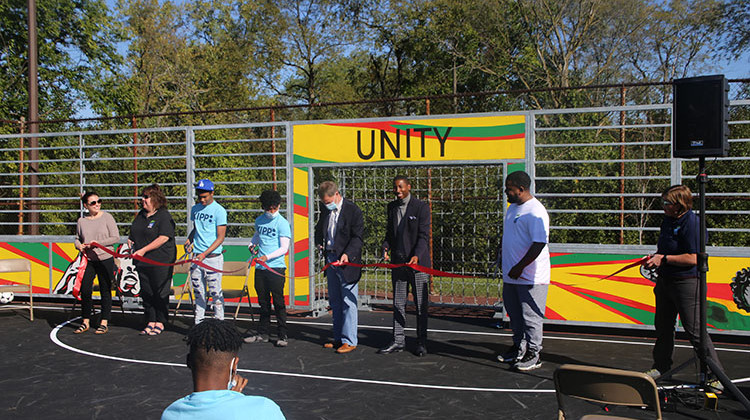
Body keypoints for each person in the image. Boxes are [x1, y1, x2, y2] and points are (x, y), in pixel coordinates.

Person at [644, 185, 724, 390]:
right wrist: (655, 258)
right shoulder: (668, 221)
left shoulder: (693, 224)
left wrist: (665, 258)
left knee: (695, 331)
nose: (663, 206)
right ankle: (661, 367)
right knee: (663, 327)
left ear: (679, 204)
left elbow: (694, 257)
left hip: (687, 282)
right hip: (666, 280)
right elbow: (666, 249)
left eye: (667, 203)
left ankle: (716, 376)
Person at [161, 318, 285, 420]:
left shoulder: (171, 414)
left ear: (188, 361)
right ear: (234, 365)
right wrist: (234, 399)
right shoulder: (264, 410)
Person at [496, 170, 550, 371]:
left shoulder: (536, 211)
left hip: (530, 277)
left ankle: (534, 353)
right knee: (515, 315)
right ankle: (519, 347)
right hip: (512, 275)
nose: (505, 192)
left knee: (531, 317)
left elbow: (539, 243)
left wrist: (520, 267)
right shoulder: (513, 208)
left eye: (509, 189)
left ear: (521, 189)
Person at [378, 175, 431, 357]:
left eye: (401, 187)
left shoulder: (421, 207)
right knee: (398, 303)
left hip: (417, 265)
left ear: (409, 186)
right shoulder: (392, 207)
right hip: (398, 263)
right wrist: (385, 247)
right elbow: (389, 233)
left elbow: (424, 236)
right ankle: (398, 340)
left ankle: (421, 342)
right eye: (395, 188)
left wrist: (416, 255)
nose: (398, 191)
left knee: (420, 305)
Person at [314, 181, 364, 354]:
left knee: (348, 301)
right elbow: (320, 229)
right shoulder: (325, 209)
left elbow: (357, 237)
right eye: (324, 203)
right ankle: (338, 337)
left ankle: (350, 340)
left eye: (328, 202)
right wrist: (320, 243)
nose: (326, 205)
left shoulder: (353, 211)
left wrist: (348, 254)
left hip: (347, 262)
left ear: (336, 194)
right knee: (334, 301)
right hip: (331, 258)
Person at [244, 190, 292, 347]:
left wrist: (267, 257)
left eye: (273, 208)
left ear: (278, 206)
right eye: (268, 208)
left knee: (278, 302)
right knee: (263, 302)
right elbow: (257, 236)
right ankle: (262, 333)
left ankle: (282, 334)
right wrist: (251, 245)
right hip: (260, 267)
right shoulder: (259, 220)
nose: (271, 211)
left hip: (276, 268)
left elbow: (284, 248)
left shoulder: (283, 223)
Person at [129, 184, 177, 336]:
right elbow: (134, 232)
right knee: (147, 291)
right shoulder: (141, 215)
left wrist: (143, 250)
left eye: (146, 197)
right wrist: (130, 241)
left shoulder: (163, 216)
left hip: (160, 260)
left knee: (159, 290)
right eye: (142, 197)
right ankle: (150, 319)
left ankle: (161, 321)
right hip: (142, 262)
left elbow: (163, 237)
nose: (143, 200)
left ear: (155, 199)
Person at [73, 191, 120, 334]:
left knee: (105, 289)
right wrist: (78, 245)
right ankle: (85, 320)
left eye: (99, 201)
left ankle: (104, 321)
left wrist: (98, 243)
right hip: (89, 260)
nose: (97, 204)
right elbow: (77, 238)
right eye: (93, 203)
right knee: (85, 289)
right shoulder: (82, 221)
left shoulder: (107, 217)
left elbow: (115, 237)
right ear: (86, 205)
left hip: (105, 258)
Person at [185, 179, 228, 324]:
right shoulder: (195, 209)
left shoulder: (219, 211)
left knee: (215, 292)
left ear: (212, 193)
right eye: (200, 196)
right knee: (199, 292)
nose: (202, 199)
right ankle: (198, 323)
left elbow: (220, 237)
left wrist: (205, 253)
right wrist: (189, 240)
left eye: (205, 196)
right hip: (197, 257)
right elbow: (197, 229)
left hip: (212, 258)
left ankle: (219, 322)